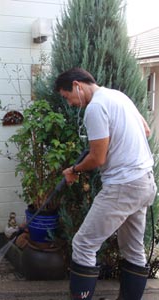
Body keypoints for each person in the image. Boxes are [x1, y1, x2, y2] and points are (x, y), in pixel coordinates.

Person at [54, 67, 157, 300]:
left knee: (83, 244)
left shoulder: (96, 107)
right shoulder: (119, 97)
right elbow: (146, 130)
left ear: (78, 86)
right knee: (133, 249)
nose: (69, 103)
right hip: (144, 182)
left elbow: (97, 158)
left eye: (66, 96)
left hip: (123, 186)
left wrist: (73, 170)